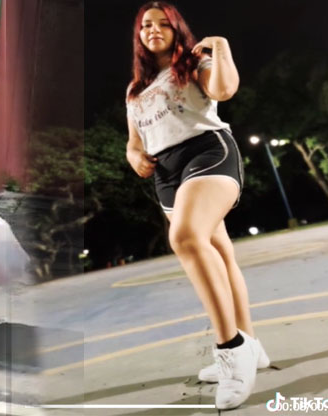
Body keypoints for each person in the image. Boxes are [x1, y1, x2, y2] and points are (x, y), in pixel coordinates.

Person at [124, 2, 269, 410]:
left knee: (185, 237)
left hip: (207, 153)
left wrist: (220, 47)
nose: (153, 30)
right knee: (219, 253)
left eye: (162, 23)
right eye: (145, 25)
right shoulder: (134, 89)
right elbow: (135, 142)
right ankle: (252, 344)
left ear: (176, 28)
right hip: (166, 174)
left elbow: (224, 90)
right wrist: (134, 155)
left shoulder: (194, 61)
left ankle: (232, 348)